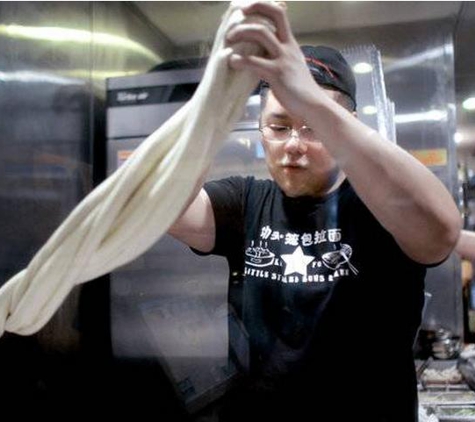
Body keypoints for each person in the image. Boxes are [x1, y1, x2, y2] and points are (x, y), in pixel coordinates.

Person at [168, 2, 461, 421]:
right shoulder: (246, 200)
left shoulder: (381, 207)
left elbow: (441, 231)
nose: (293, 144)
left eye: (314, 128)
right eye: (279, 126)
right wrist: (212, 102)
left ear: (347, 126)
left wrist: (308, 97)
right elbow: (163, 208)